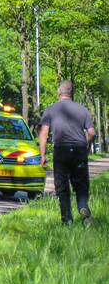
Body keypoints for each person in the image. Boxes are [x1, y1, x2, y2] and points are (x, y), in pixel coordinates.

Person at [38, 81, 96, 225]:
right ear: (72, 93)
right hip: (79, 150)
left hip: (61, 151)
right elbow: (92, 132)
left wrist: (43, 155)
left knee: (62, 187)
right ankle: (83, 207)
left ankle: (67, 220)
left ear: (59, 93)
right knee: (81, 185)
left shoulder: (50, 109)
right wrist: (87, 145)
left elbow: (44, 133)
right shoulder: (83, 110)